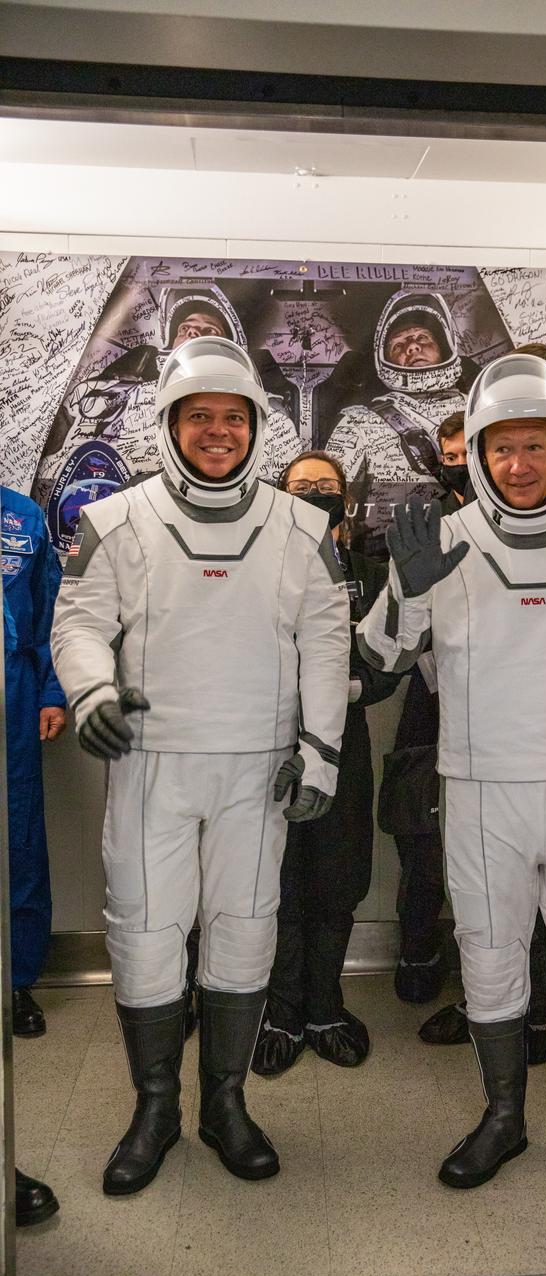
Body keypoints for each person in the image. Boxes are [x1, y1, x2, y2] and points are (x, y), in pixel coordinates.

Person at [50, 336, 350, 1195]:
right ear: (170, 426)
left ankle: (224, 1103)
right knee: (144, 933)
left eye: (232, 417)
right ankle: (154, 1108)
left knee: (243, 929)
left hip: (259, 770)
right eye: (199, 417)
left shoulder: (301, 525)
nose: (216, 432)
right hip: (154, 764)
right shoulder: (116, 520)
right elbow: (76, 625)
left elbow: (327, 643)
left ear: (255, 427)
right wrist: (92, 694)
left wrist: (321, 753)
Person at [357, 353, 546, 1198]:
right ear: (475, 453)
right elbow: (376, 667)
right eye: (501, 448)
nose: (517, 465)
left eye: (535, 446)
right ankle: (503, 1117)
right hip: (480, 789)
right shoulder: (439, 545)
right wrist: (405, 592)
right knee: (488, 958)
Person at [251, 451, 400, 1075]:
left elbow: (395, 655)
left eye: (326, 487)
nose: (314, 495)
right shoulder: (263, 565)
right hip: (273, 745)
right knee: (279, 879)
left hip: (347, 743)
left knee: (338, 878)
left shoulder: (372, 567)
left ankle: (325, 1006)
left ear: (347, 500)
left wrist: (348, 689)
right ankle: (281, 1011)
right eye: (301, 487)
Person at [33, 284, 301, 545]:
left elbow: (284, 498)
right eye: (185, 329)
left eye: (208, 331)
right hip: (131, 533)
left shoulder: (272, 421)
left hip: (233, 533)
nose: (194, 335)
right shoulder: (100, 394)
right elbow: (50, 460)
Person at [386, 412, 466, 1006]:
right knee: (419, 832)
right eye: (450, 453)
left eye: (469, 451)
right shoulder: (428, 517)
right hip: (431, 694)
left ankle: (489, 988)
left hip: (509, 705)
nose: (459, 462)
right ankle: (419, 953)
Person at [325, 289, 475, 555]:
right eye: (399, 345)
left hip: (475, 552)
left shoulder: (482, 409)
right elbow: (329, 503)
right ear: (385, 358)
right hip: (389, 562)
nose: (413, 347)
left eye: (422, 338)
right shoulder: (358, 423)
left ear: (443, 344)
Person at [2, 486, 66, 1037]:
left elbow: (52, 612)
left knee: (17, 838)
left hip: (12, 689)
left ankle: (16, 983)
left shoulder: (21, 517)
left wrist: (52, 692)